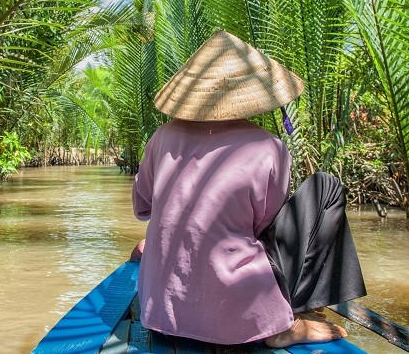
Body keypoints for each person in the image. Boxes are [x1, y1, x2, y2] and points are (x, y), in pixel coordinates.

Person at [130, 30, 367, 347]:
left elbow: (143, 206)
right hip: (240, 319)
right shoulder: (270, 147)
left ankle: (283, 313)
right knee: (326, 187)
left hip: (161, 314)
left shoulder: (162, 137)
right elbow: (263, 227)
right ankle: (288, 321)